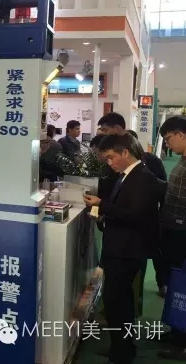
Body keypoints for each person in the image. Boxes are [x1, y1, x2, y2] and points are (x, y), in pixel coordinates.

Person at [83, 134, 163, 364]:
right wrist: (103, 213)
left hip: (127, 251)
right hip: (120, 247)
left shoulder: (142, 177)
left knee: (117, 302)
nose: (109, 163)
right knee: (119, 301)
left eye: (111, 157)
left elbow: (134, 215)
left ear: (125, 152)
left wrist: (102, 205)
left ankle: (122, 352)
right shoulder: (128, 175)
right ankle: (122, 347)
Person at [157, 117, 186, 361]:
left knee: (183, 289)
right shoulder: (182, 160)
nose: (167, 145)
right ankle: (176, 330)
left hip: (182, 233)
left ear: (181, 134)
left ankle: (181, 342)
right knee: (176, 285)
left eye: (168, 139)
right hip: (174, 231)